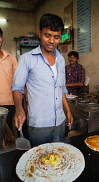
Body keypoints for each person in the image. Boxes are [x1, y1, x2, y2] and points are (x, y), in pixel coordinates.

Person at [12, 13, 73, 147]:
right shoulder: (27, 59)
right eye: (47, 35)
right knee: (40, 162)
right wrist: (19, 109)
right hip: (40, 124)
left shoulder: (61, 60)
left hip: (60, 121)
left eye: (56, 37)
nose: (51, 41)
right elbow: (17, 87)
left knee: (59, 157)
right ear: (40, 33)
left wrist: (67, 111)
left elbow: (61, 88)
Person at [0, 27, 17, 135]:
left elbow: (18, 82)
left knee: (9, 133)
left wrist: (22, 103)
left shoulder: (10, 58)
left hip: (9, 103)